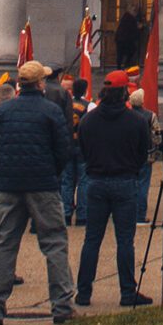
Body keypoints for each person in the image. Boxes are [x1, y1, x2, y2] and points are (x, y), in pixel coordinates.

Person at [0, 60, 77, 325]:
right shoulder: (51, 112)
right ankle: (63, 306)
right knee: (55, 243)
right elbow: (63, 150)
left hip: (10, 184)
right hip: (43, 184)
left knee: (3, 244)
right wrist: (52, 173)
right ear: (41, 84)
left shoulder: (3, 111)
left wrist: (8, 171)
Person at [74, 69, 154, 309]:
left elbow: (84, 152)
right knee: (125, 241)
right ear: (124, 93)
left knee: (92, 240)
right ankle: (127, 292)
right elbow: (143, 154)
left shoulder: (88, 120)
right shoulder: (137, 121)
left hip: (96, 183)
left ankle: (83, 293)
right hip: (124, 182)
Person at [60, 76, 90, 227]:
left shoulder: (66, 104)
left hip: (67, 144)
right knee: (83, 182)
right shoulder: (88, 105)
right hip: (82, 146)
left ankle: (66, 214)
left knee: (67, 181)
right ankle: (82, 216)